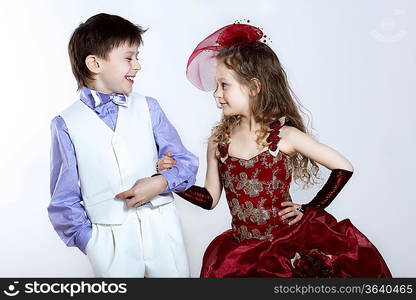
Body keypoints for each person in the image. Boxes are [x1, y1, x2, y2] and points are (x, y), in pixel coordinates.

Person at [157, 23, 392, 277]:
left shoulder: (284, 137)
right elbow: (210, 199)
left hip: (284, 251)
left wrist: (309, 209)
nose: (216, 94)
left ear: (254, 87)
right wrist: (173, 180)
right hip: (239, 255)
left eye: (224, 85)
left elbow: (343, 167)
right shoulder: (219, 141)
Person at [47, 13, 198, 277]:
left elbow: (184, 162)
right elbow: (64, 198)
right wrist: (92, 243)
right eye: (129, 58)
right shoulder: (65, 124)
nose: (137, 66)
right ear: (95, 63)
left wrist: (160, 182)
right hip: (110, 244)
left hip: (162, 231)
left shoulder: (148, 108)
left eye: (137, 57)